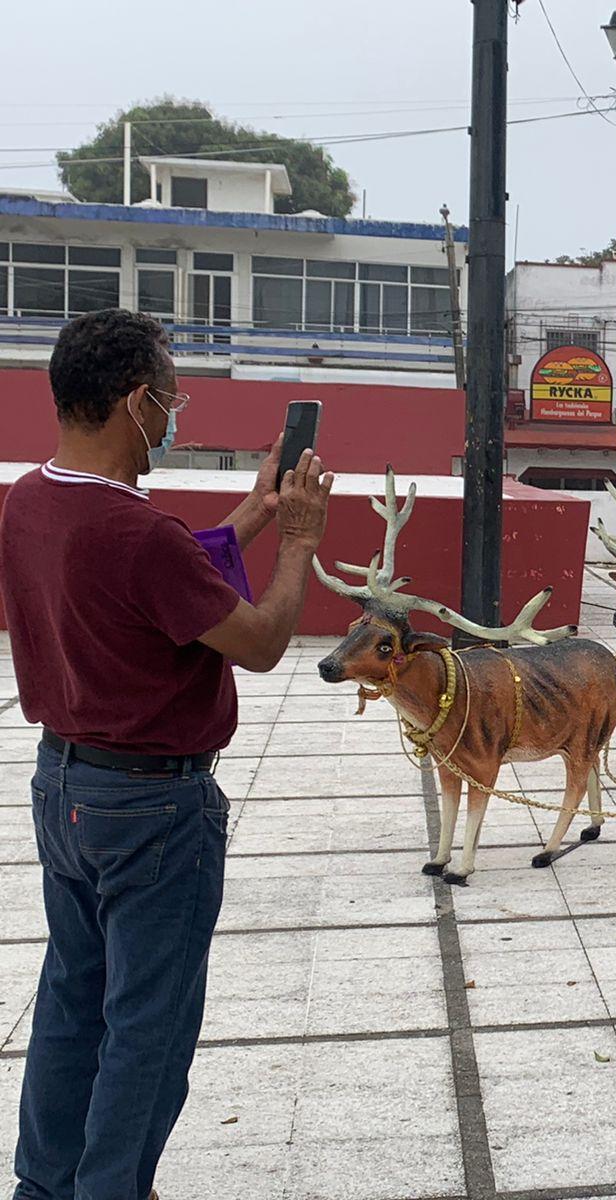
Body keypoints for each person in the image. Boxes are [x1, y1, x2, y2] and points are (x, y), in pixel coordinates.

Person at [0, 309, 334, 1200]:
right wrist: (299, 540)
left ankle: (45, 1184)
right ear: (137, 402)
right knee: (147, 1028)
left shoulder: (30, 500)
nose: (177, 414)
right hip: (153, 811)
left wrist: (257, 514)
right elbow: (257, 641)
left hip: (65, 787)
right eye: (173, 398)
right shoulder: (135, 533)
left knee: (71, 1004)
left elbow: (173, 581)